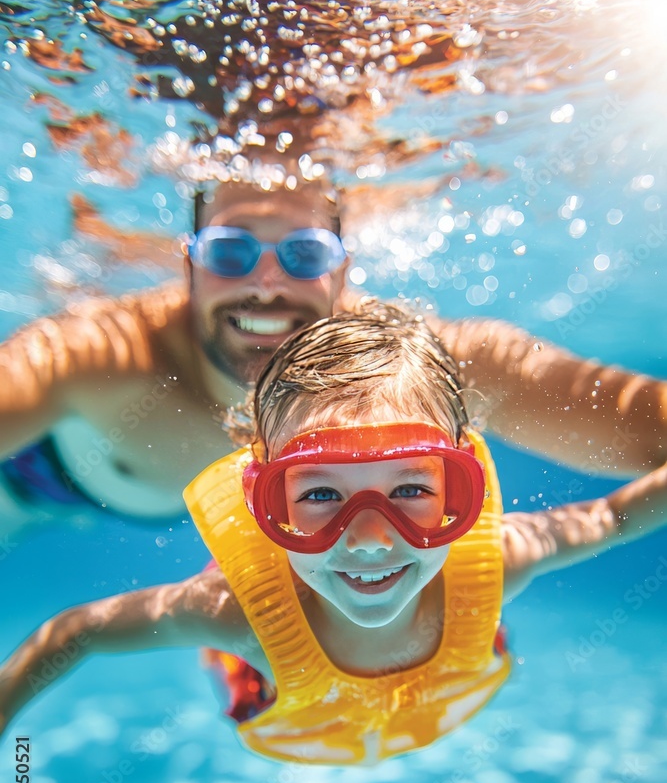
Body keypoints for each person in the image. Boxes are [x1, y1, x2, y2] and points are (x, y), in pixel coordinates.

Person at [1, 308, 665, 764]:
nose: (372, 539)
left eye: (411, 491)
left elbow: (610, 517)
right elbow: (79, 632)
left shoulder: (495, 562)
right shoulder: (237, 618)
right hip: (279, 683)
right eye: (320, 495)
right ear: (262, 501)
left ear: (464, 492)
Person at [1, 174, 666, 538]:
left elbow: (645, 430)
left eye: (304, 254)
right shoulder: (95, 352)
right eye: (230, 252)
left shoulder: (409, 360)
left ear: (344, 270)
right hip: (51, 481)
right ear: (190, 265)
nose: (266, 284)